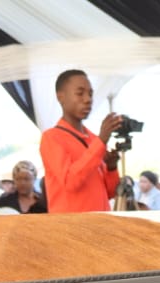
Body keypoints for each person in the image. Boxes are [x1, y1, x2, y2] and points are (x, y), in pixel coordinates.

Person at [40, 69, 123, 213]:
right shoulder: (52, 138)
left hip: (100, 222)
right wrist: (101, 141)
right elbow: (70, 182)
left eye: (90, 94)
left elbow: (110, 193)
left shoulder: (93, 139)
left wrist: (111, 169)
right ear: (61, 97)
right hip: (72, 225)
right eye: (80, 93)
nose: (87, 99)